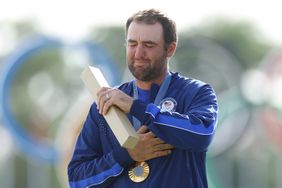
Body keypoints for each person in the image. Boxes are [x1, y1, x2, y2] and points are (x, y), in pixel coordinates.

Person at [68, 9, 218, 188]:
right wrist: (127, 155)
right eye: (132, 44)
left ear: (170, 49)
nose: (138, 53)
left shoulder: (196, 92)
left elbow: (202, 134)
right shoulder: (104, 106)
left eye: (148, 45)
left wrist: (135, 107)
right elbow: (77, 179)